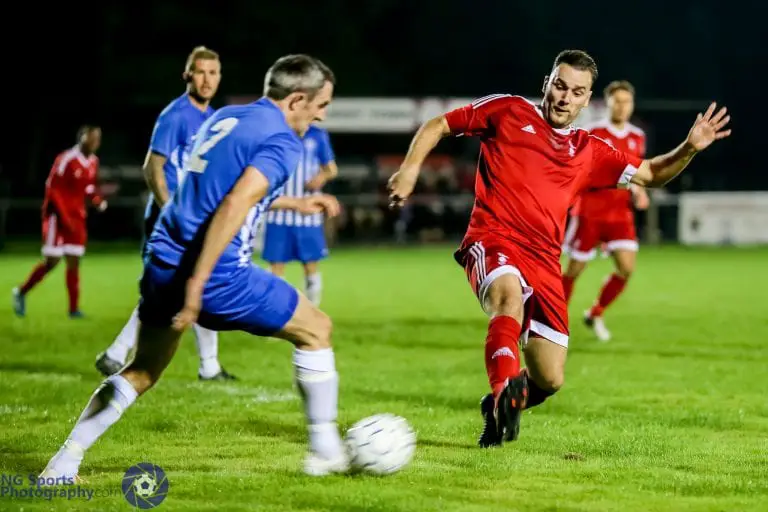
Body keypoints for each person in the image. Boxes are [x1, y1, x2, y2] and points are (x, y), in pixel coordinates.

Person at [387, 49, 731, 447]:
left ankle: (496, 406)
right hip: (493, 238)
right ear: (547, 84)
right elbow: (439, 125)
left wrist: (689, 147)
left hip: (545, 260)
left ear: (588, 100)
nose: (565, 97)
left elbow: (651, 172)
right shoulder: (509, 111)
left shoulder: (589, 150)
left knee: (550, 379)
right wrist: (410, 169)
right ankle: (502, 396)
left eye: (577, 91)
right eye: (560, 86)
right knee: (507, 300)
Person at [39, 54, 346, 481]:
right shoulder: (283, 140)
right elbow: (235, 203)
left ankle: (63, 462)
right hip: (217, 273)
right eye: (321, 105)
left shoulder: (230, 118)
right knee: (317, 329)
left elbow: (215, 191)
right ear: (297, 100)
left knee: (142, 370)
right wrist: (199, 283)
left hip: (163, 258)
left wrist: (294, 202)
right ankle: (325, 451)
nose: (321, 116)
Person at [95, 46, 233, 381]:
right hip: (170, 216)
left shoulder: (212, 117)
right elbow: (151, 167)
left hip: (193, 215)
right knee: (176, 286)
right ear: (187, 75)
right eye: (200, 72)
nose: (207, 79)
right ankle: (202, 365)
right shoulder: (175, 115)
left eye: (213, 73)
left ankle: (121, 353)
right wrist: (170, 209)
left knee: (191, 283)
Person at [562, 80, 649, 341]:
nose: (622, 106)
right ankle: (554, 320)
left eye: (627, 101)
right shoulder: (593, 132)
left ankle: (595, 312)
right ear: (608, 102)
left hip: (619, 212)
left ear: (632, 105)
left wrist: (639, 189)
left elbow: (636, 172)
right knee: (574, 269)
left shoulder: (637, 136)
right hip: (590, 210)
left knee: (626, 268)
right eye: (617, 101)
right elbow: (580, 169)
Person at [12, 126, 107, 318]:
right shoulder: (66, 159)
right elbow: (53, 190)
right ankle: (21, 292)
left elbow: (88, 188)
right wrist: (64, 217)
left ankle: (73, 309)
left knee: (74, 261)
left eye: (98, 139)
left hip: (77, 218)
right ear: (82, 138)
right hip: (58, 217)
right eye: (92, 138)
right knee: (52, 262)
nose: (96, 143)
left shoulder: (93, 162)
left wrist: (97, 200)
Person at [262, 124, 338, 306]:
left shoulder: (317, 134)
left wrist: (320, 178)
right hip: (278, 213)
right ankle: (275, 313)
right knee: (276, 267)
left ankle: (312, 311)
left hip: (308, 215)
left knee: (311, 265)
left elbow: (331, 169)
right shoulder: (275, 129)